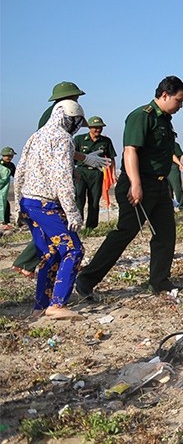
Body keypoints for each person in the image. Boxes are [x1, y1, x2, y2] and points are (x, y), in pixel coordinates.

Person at [76, 76, 183, 297]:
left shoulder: (165, 119)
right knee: (125, 233)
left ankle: (159, 281)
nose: (181, 106)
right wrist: (135, 184)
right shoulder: (141, 116)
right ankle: (86, 279)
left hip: (160, 185)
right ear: (164, 95)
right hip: (139, 183)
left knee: (166, 234)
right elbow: (130, 151)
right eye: (178, 100)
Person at [12, 82, 109, 279]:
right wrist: (74, 166)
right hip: (46, 189)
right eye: (76, 97)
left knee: (51, 234)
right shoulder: (59, 115)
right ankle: (32, 269)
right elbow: (54, 149)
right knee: (63, 235)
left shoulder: (53, 113)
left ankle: (33, 276)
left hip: (34, 191)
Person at [14, 100, 86, 319]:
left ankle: (40, 306)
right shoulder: (63, 139)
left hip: (29, 203)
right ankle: (57, 304)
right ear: (68, 119)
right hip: (46, 204)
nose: (75, 127)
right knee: (73, 249)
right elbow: (62, 178)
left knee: (51, 253)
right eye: (76, 122)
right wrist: (72, 212)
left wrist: (19, 205)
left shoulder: (35, 136)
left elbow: (20, 172)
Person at [74, 116, 117, 229]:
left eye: (100, 127)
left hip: (96, 173)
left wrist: (113, 174)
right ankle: (78, 225)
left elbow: (111, 158)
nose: (98, 130)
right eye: (95, 128)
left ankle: (91, 227)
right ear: (89, 127)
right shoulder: (79, 139)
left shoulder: (106, 141)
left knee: (94, 200)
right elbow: (71, 157)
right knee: (79, 199)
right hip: (81, 172)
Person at [167, 141, 183, 212]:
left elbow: (180, 155)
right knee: (168, 190)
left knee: (177, 189)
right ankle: (170, 209)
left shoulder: (174, 144)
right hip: (164, 168)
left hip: (173, 168)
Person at [1, 147, 17, 227]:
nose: (9, 158)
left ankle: (6, 222)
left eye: (11, 156)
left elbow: (16, 176)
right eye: (7, 156)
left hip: (4, 189)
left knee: (6, 205)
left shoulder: (11, 166)